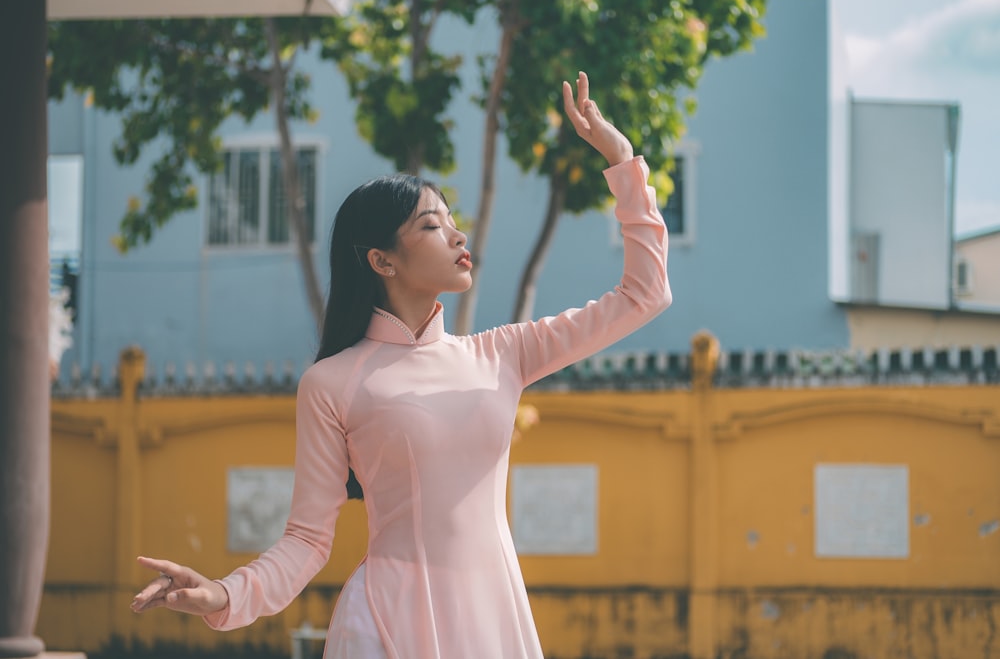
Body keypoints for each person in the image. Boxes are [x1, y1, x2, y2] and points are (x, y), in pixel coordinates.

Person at [130, 71, 672, 659]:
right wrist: (223, 594)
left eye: (452, 220)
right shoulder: (332, 383)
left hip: (493, 623)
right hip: (384, 627)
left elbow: (644, 295)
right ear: (382, 261)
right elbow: (308, 539)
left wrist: (622, 161)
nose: (458, 235)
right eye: (432, 226)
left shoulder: (502, 353)